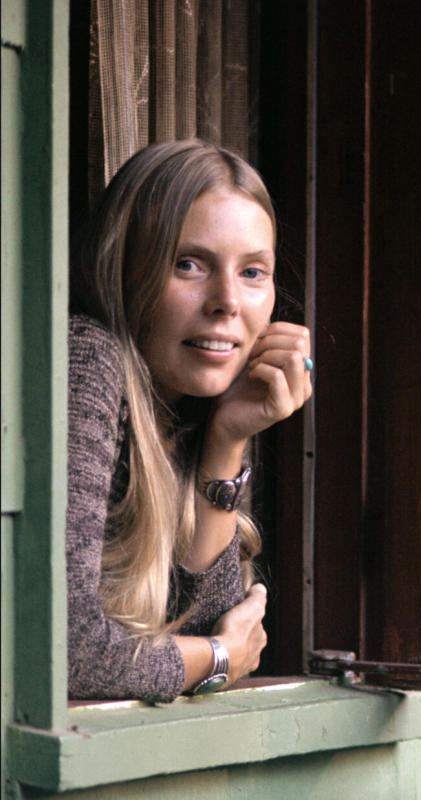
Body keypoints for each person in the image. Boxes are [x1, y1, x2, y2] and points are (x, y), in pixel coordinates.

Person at [67, 139, 311, 702]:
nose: (227, 301)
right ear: (124, 267)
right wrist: (221, 657)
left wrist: (228, 438)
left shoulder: (184, 406)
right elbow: (70, 651)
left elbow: (191, 630)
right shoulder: (87, 358)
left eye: (253, 272)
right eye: (189, 264)